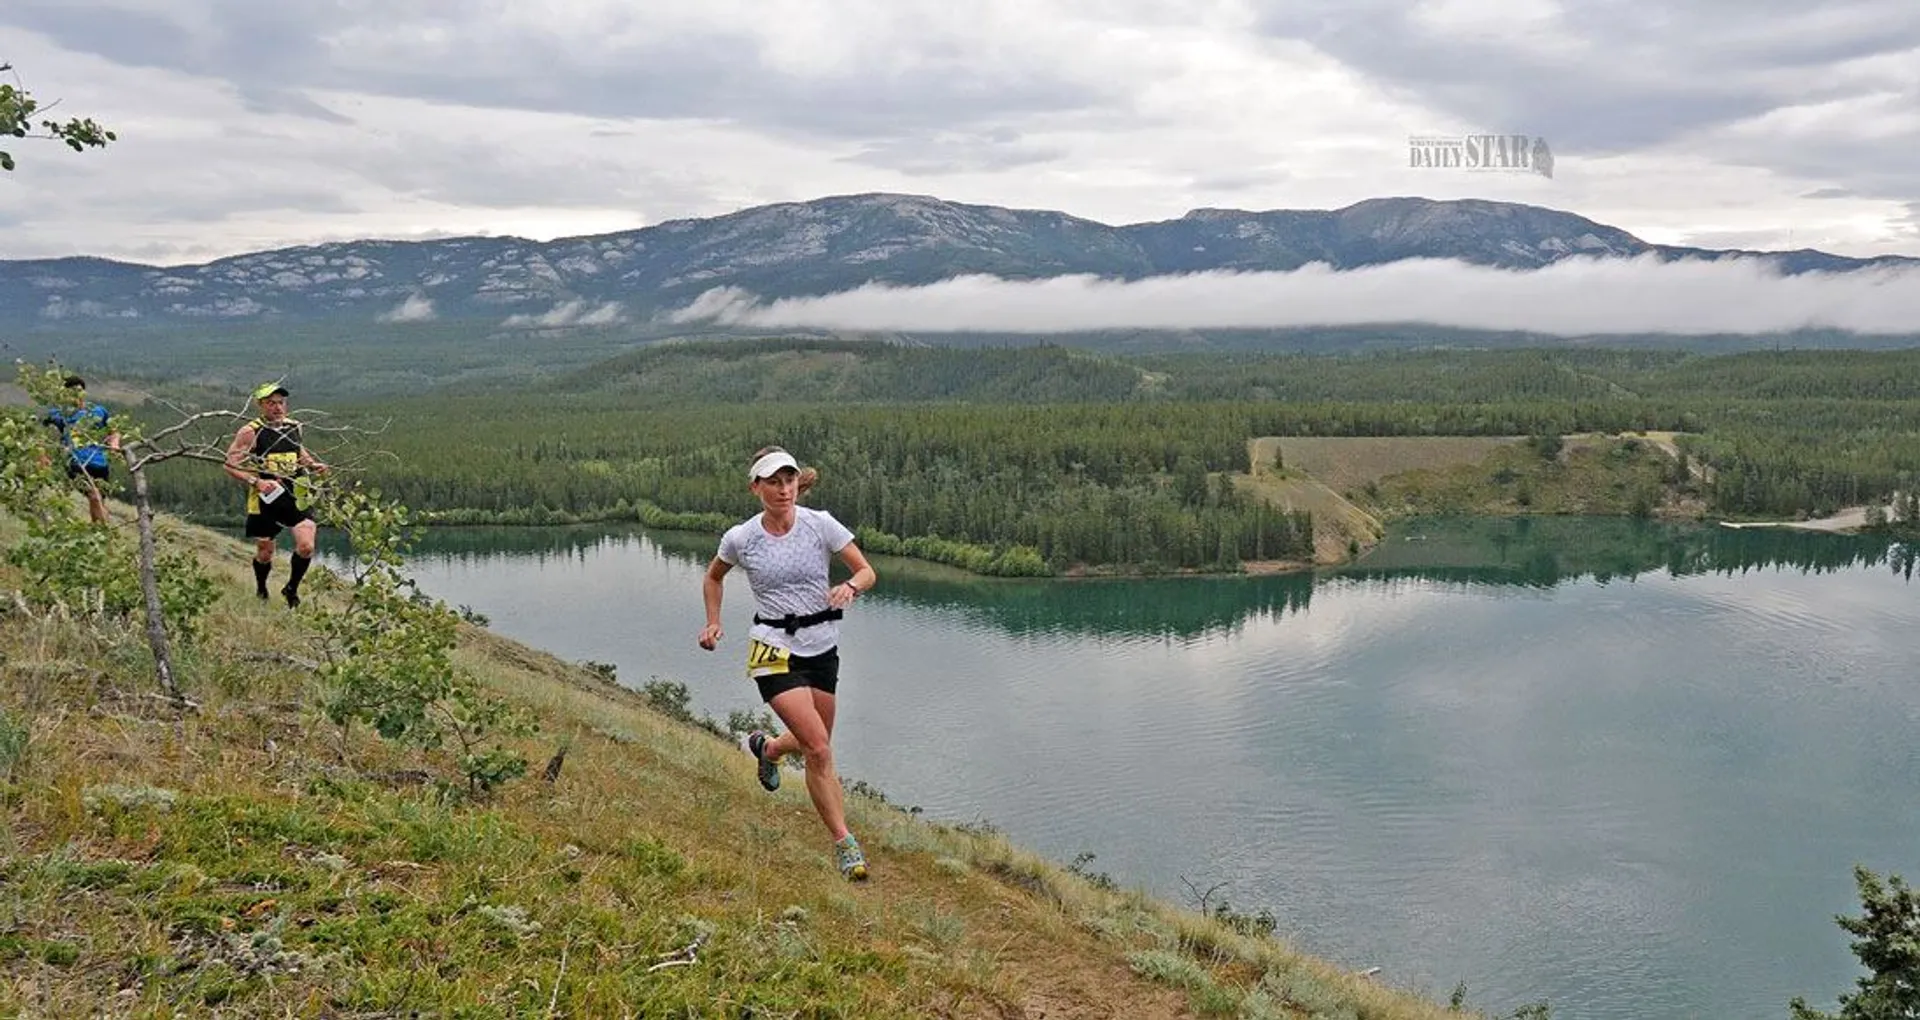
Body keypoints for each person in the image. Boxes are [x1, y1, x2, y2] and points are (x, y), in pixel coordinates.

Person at [699, 446, 878, 881]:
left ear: (798, 482)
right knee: (818, 747)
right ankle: (844, 842)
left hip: (821, 646)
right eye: (773, 482)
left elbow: (867, 571)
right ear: (755, 487)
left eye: (789, 480)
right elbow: (713, 577)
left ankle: (769, 749)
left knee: (814, 742)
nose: (783, 490)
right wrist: (713, 623)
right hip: (772, 647)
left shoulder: (821, 525)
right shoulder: (741, 538)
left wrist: (850, 587)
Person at [224, 383, 328, 607]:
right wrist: (256, 481)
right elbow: (229, 464)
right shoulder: (250, 431)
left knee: (306, 546)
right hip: (265, 498)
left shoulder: (294, 426)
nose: (277, 407)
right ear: (261, 405)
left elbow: (298, 450)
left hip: (296, 492)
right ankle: (261, 588)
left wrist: (311, 465)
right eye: (271, 403)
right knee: (265, 552)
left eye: (281, 402)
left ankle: (291, 589)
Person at [41, 375, 121, 524]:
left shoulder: (98, 411)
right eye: (71, 392)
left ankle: (98, 535)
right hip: (75, 462)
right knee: (94, 496)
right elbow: (42, 433)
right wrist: (44, 457)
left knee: (98, 502)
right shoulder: (59, 414)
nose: (75, 395)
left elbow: (114, 430)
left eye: (78, 391)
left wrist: (115, 444)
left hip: (100, 463)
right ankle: (106, 534)